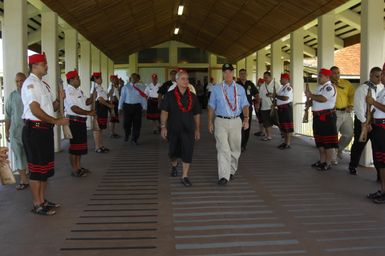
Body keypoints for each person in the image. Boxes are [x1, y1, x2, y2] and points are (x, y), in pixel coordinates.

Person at [21, 53, 69, 215]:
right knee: (36, 169)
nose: (46, 67)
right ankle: (37, 204)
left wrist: (58, 99)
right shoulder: (30, 84)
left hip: (44, 130)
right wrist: (55, 122)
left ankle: (42, 199)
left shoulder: (43, 84)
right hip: (34, 130)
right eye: (44, 64)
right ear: (34, 66)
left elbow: (50, 107)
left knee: (44, 169)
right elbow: (35, 109)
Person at [208, 63, 250, 185]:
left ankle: (231, 171)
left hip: (236, 121)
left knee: (235, 149)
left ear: (233, 73)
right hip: (220, 121)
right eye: (225, 72)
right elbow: (211, 106)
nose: (227, 74)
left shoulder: (240, 89)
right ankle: (223, 176)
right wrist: (210, 122)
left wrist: (246, 119)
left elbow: (245, 105)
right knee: (223, 148)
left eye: (230, 72)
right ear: (223, 73)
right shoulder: (216, 88)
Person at [160, 70, 201, 187]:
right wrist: (163, 127)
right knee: (172, 152)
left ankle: (185, 176)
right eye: (183, 79)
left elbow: (197, 113)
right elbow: (164, 112)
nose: (186, 81)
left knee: (188, 152)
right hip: (173, 129)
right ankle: (174, 165)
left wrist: (197, 129)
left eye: (187, 79)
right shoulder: (169, 95)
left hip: (188, 129)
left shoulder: (192, 96)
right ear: (176, 80)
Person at [349, 67, 384, 176]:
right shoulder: (362, 89)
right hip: (362, 120)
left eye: (380, 76)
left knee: (376, 148)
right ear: (371, 75)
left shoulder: (380, 89)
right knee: (359, 144)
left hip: (374, 121)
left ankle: (379, 172)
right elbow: (358, 108)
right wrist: (365, 123)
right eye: (377, 76)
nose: (379, 78)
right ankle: (353, 166)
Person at [64, 70, 96, 177]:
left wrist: (92, 98)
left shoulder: (78, 91)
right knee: (74, 148)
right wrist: (89, 112)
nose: (79, 80)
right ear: (71, 80)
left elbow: (85, 102)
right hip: (74, 122)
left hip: (81, 121)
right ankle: (74, 169)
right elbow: (74, 108)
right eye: (77, 78)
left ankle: (78, 166)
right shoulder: (69, 91)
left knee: (79, 147)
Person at [306, 68, 337, 171]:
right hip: (318, 117)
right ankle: (322, 161)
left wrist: (310, 95)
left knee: (327, 142)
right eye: (319, 76)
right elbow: (316, 99)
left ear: (327, 77)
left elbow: (323, 99)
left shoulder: (329, 88)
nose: (319, 78)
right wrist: (310, 102)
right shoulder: (320, 87)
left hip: (327, 117)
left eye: (320, 76)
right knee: (320, 141)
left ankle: (328, 163)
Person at [5, 72, 29, 190]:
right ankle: (24, 181)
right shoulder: (12, 96)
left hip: (29, 131)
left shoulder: (30, 94)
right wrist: (7, 131)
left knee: (30, 156)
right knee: (18, 156)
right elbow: (8, 115)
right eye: (17, 81)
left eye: (22, 80)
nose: (19, 83)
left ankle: (36, 179)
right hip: (15, 132)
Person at [366, 63, 385, 203]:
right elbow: (376, 109)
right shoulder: (382, 90)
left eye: (383, 74)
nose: (381, 77)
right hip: (378, 128)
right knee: (381, 162)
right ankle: (383, 190)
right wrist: (369, 121)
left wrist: (372, 102)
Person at [330, 66, 355, 164]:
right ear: (330, 74)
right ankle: (332, 157)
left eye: (338, 72)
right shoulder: (327, 85)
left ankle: (339, 149)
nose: (337, 74)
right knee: (333, 135)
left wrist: (351, 105)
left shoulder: (346, 83)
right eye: (334, 73)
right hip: (334, 113)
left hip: (346, 112)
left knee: (349, 134)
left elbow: (352, 95)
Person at [118, 73, 147, 144]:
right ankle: (127, 134)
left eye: (135, 78)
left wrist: (145, 107)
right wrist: (119, 107)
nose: (133, 79)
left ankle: (135, 139)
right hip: (127, 107)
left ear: (138, 79)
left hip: (137, 107)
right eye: (132, 77)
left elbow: (143, 98)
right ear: (130, 79)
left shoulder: (142, 87)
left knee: (137, 124)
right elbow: (122, 97)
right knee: (126, 123)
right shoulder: (125, 87)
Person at [91, 72, 114, 153]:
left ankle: (101, 145)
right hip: (99, 108)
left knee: (101, 128)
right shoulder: (95, 87)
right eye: (99, 78)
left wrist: (110, 94)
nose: (101, 79)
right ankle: (97, 147)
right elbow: (100, 99)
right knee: (97, 129)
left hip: (102, 108)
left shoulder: (99, 87)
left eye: (100, 77)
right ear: (95, 79)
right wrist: (109, 105)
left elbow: (104, 96)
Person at [237, 69, 258, 152]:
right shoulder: (236, 84)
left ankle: (244, 145)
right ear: (239, 75)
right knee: (238, 127)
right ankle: (238, 144)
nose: (243, 75)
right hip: (238, 110)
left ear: (247, 75)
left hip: (248, 109)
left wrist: (257, 103)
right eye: (241, 74)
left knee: (246, 127)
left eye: (244, 74)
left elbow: (256, 94)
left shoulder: (250, 84)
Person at [259, 71, 281, 141]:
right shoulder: (262, 85)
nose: (265, 78)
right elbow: (260, 97)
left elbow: (280, 96)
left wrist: (272, 95)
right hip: (264, 107)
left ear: (270, 77)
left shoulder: (276, 85)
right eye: (264, 77)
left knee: (277, 121)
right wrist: (258, 105)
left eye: (266, 77)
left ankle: (284, 134)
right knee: (266, 123)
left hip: (273, 107)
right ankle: (268, 136)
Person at [275, 73, 293, 149]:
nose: (280, 80)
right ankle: (285, 142)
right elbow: (278, 98)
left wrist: (276, 96)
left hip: (286, 109)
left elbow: (285, 98)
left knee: (287, 127)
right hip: (281, 109)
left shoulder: (288, 88)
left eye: (282, 79)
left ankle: (288, 143)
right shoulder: (282, 88)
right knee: (283, 127)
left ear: (287, 80)